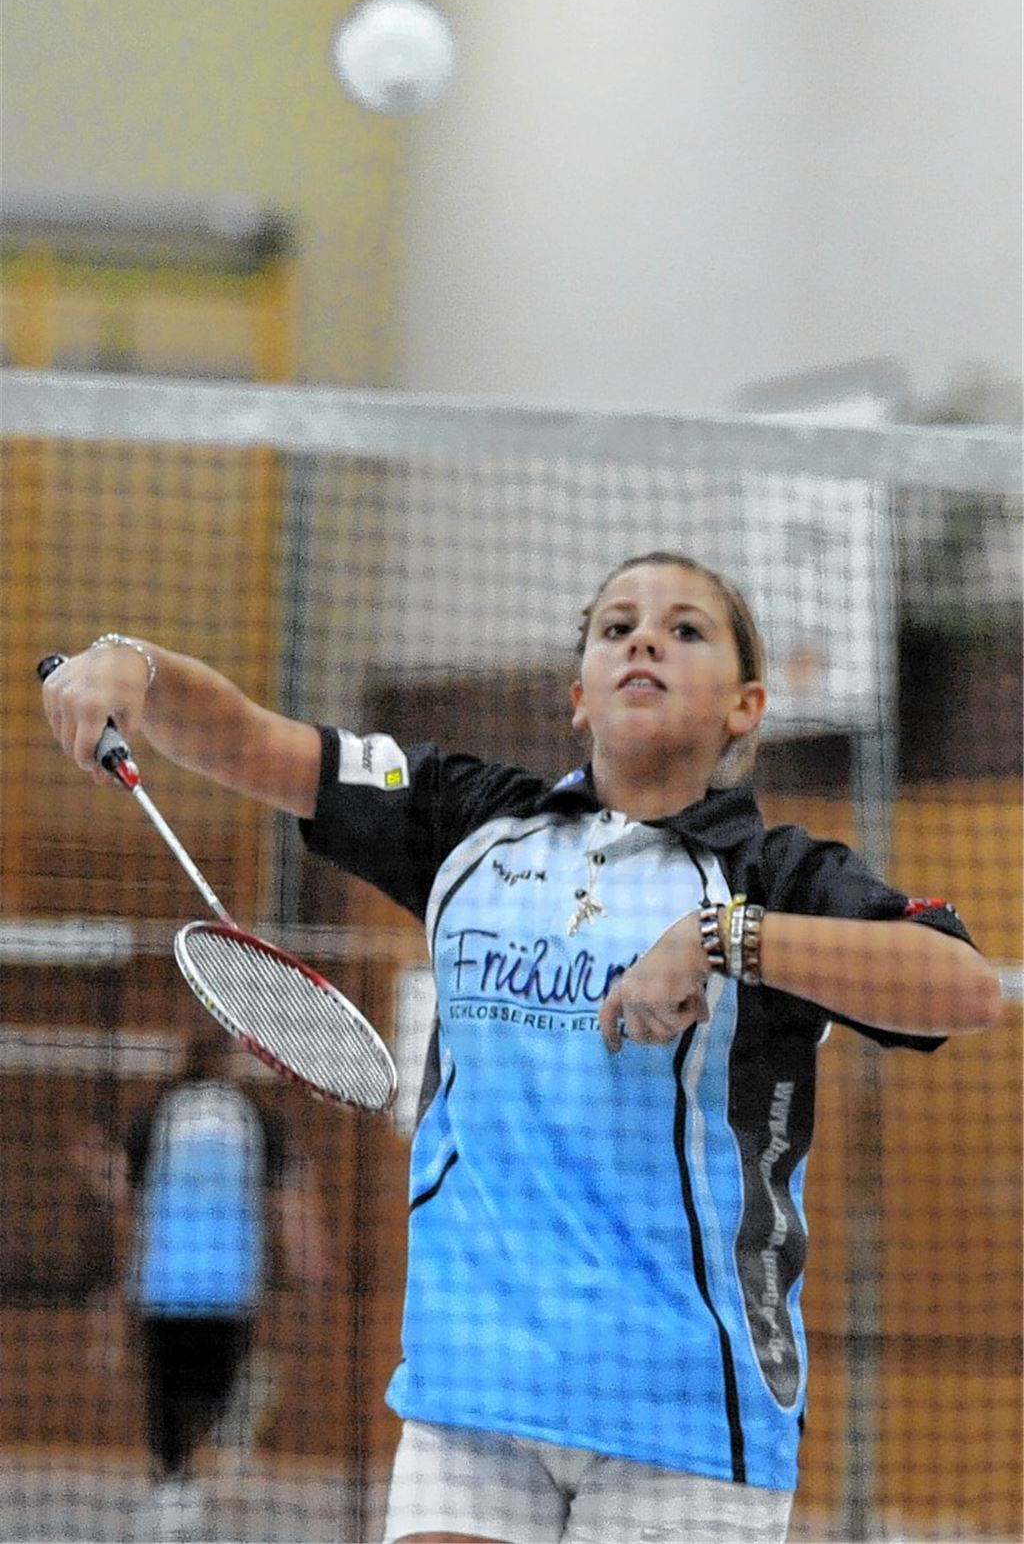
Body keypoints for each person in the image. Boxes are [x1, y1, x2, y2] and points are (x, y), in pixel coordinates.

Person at [42, 553, 1001, 1544]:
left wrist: (727, 940)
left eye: (685, 630)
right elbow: (250, 741)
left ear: (745, 706)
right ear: (577, 695)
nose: (644, 640)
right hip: (472, 1397)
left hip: (684, 1416)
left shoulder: (780, 872)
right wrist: (131, 667)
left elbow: (960, 988)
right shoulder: (466, 821)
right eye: (616, 625)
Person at [74, 1024, 329, 1542]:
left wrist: (93, 1163)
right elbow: (289, 1198)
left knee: (167, 1392)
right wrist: (311, 1262)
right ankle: (221, 1439)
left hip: (166, 1280)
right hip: (230, 1282)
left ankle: (176, 1481)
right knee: (210, 1387)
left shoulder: (158, 1113)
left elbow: (122, 1188)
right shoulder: (255, 1117)